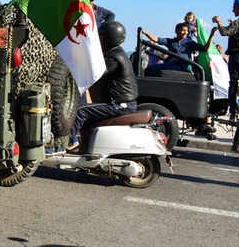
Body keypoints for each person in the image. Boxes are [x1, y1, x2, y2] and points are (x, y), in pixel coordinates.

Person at [68, 21, 137, 151]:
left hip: (119, 105)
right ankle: (85, 150)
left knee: (81, 111)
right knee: (87, 115)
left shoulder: (115, 58)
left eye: (101, 37)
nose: (98, 40)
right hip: (121, 103)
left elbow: (95, 73)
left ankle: (61, 144)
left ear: (108, 39)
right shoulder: (116, 53)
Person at [213, 0, 239, 130]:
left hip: (236, 55)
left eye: (235, 7)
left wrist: (219, 22)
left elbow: (224, 32)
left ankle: (233, 112)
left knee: (234, 84)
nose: (233, 10)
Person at [141, 22, 216, 77]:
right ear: (176, 31)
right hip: (169, 63)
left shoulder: (190, 43)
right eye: (182, 30)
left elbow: (205, 49)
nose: (185, 33)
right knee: (149, 69)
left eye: (186, 31)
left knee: (156, 68)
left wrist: (211, 35)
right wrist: (144, 32)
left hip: (180, 65)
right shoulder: (171, 42)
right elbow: (157, 39)